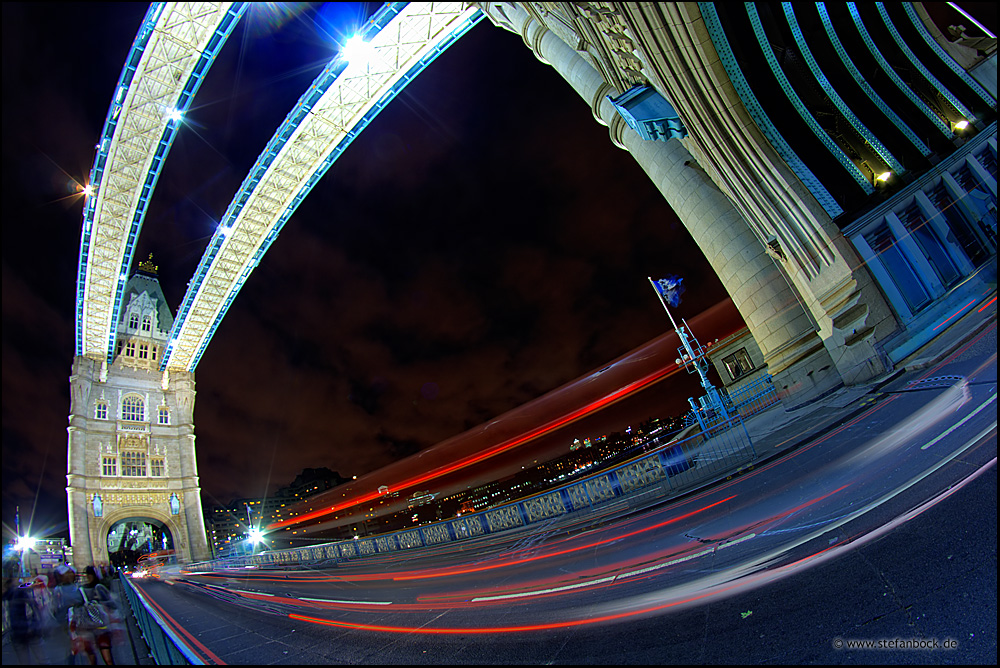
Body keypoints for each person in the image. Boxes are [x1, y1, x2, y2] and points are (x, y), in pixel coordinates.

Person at [78, 565, 120, 665]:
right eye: (87, 575)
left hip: (101, 628)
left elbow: (111, 604)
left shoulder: (99, 587)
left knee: (107, 659)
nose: (88, 577)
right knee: (95, 660)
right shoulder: (81, 590)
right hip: (90, 628)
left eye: (90, 575)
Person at [3, 576, 45, 663]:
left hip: (24, 631)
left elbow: (30, 610)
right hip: (24, 632)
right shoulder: (15, 594)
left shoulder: (16, 594)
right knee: (40, 659)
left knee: (33, 659)